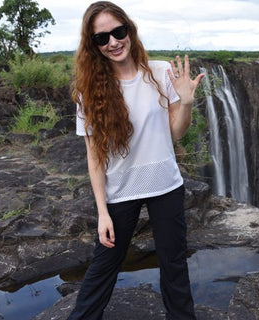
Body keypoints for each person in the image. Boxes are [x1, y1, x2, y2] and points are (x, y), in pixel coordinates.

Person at [68, 1, 204, 319]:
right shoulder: (88, 93)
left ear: (129, 30)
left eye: (119, 31)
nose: (113, 42)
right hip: (120, 191)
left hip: (166, 186)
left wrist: (185, 103)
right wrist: (102, 213)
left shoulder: (159, 72)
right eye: (102, 38)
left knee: (174, 267)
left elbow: (176, 133)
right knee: (103, 269)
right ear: (93, 45)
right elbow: (94, 158)